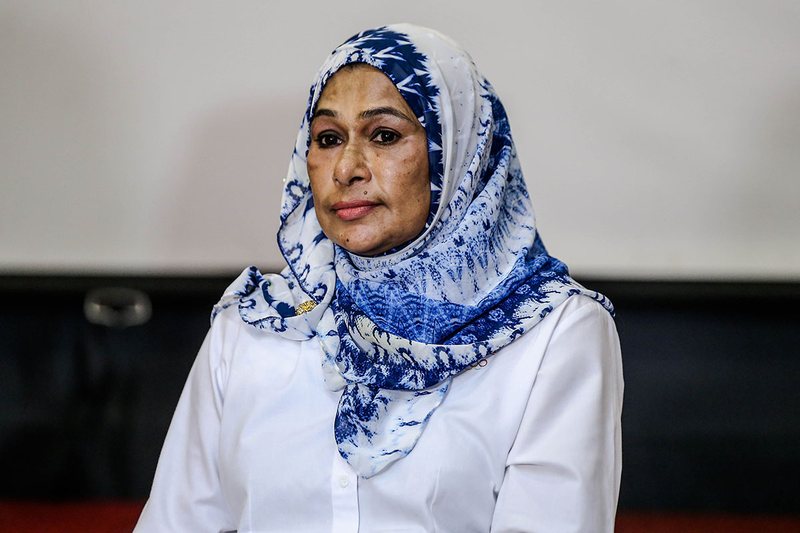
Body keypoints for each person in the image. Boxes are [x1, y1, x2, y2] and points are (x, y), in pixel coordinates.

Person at [135, 23, 623, 532]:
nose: (346, 168)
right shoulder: (255, 325)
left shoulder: (553, 333)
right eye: (327, 139)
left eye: (384, 136)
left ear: (458, 154)